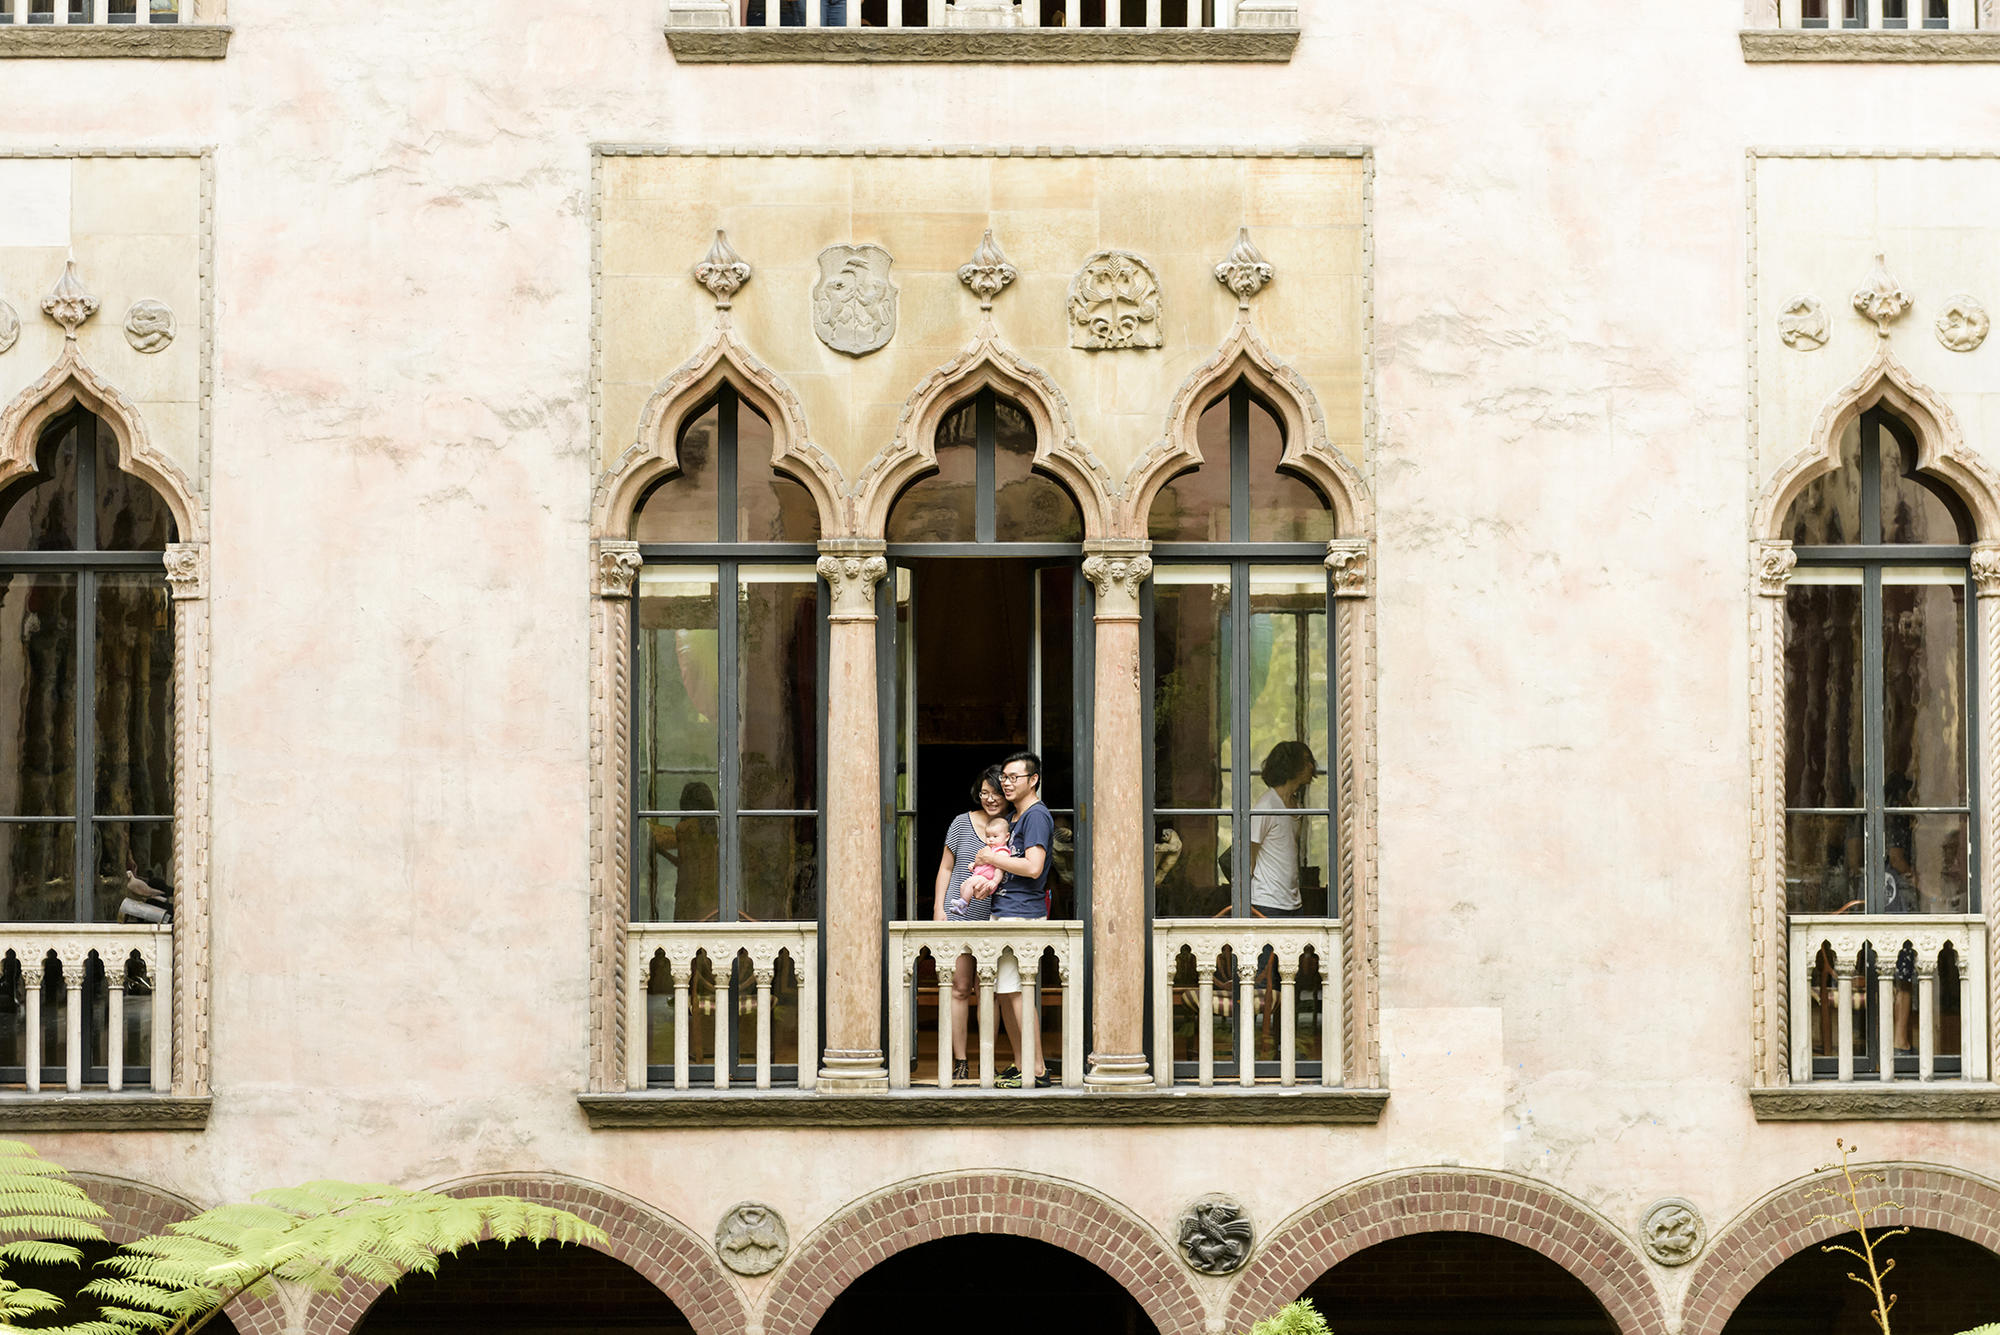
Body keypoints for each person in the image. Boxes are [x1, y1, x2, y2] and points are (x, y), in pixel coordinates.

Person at [974, 750, 1055, 1088]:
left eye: (1013, 778)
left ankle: (1036, 1069)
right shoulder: (1019, 818)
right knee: (1007, 992)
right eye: (1004, 777)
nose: (1006, 783)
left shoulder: (1035, 815)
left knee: (1018, 993)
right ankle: (1022, 1063)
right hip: (1007, 911)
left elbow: (1034, 867)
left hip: (1022, 915)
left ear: (1033, 780)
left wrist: (991, 857)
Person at [931, 767, 1008, 1081]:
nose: (990, 799)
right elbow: (946, 869)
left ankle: (988, 1057)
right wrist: (938, 909)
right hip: (959, 914)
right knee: (960, 989)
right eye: (985, 793)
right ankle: (960, 1061)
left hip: (995, 916)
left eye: (996, 793)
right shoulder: (961, 823)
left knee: (989, 990)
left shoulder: (1012, 826)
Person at [1248, 743, 1317, 1044]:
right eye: (1306, 762)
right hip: (1268, 903)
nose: (1312, 767)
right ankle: (1259, 1045)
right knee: (1265, 979)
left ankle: (1283, 1041)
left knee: (1290, 977)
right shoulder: (1266, 806)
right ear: (1292, 766)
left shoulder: (1295, 806)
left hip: (1292, 902)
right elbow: (1248, 854)